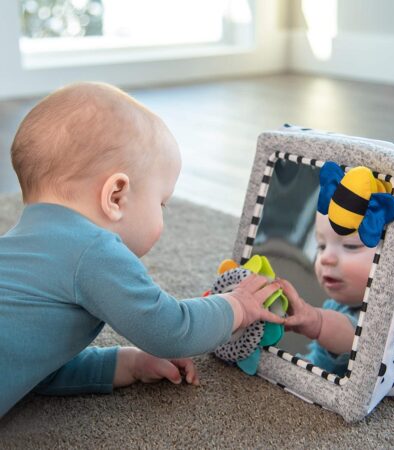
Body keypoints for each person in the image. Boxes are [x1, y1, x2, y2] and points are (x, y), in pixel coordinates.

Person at [0, 82, 284, 417]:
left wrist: (128, 362)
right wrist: (236, 305)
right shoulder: (93, 249)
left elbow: (30, 363)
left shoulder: (20, 250)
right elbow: (171, 329)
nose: (162, 213)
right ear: (116, 196)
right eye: (161, 203)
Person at [280, 212, 376, 376]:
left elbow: (359, 342)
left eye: (351, 245)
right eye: (322, 246)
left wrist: (319, 322)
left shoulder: (385, 318)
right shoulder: (333, 306)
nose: (325, 258)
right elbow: (320, 361)